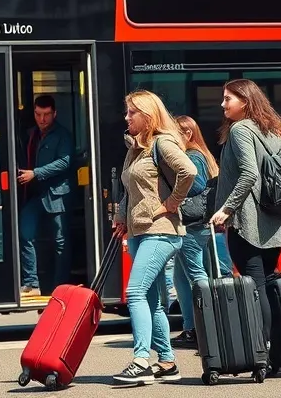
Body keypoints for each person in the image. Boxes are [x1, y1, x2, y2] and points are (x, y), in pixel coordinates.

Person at [111, 90, 195, 385]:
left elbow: (189, 171)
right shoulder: (135, 147)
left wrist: (171, 204)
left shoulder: (163, 142)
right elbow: (130, 190)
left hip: (161, 231)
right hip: (138, 230)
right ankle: (168, 362)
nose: (126, 117)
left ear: (148, 115)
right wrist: (121, 217)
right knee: (152, 299)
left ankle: (141, 360)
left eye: (131, 112)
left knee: (134, 293)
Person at [209, 78, 281, 356]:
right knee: (268, 283)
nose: (222, 104)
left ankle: (263, 351)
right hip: (275, 221)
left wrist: (226, 209)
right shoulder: (274, 131)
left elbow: (250, 174)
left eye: (228, 99)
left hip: (248, 222)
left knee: (255, 285)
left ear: (245, 102)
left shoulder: (239, 131)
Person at [170, 115, 219, 350]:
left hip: (191, 224)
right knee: (180, 277)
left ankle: (206, 326)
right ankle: (191, 328)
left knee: (195, 275)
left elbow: (197, 185)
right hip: (194, 225)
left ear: (187, 134)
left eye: (174, 133)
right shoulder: (201, 154)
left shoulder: (192, 156)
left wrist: (175, 191)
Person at [17, 95, 73, 297]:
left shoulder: (62, 135)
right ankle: (31, 283)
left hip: (56, 195)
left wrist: (36, 173)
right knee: (26, 234)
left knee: (60, 241)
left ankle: (61, 287)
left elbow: (65, 162)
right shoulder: (31, 134)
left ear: (54, 114)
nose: (42, 119)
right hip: (34, 195)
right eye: (38, 114)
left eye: (47, 115)